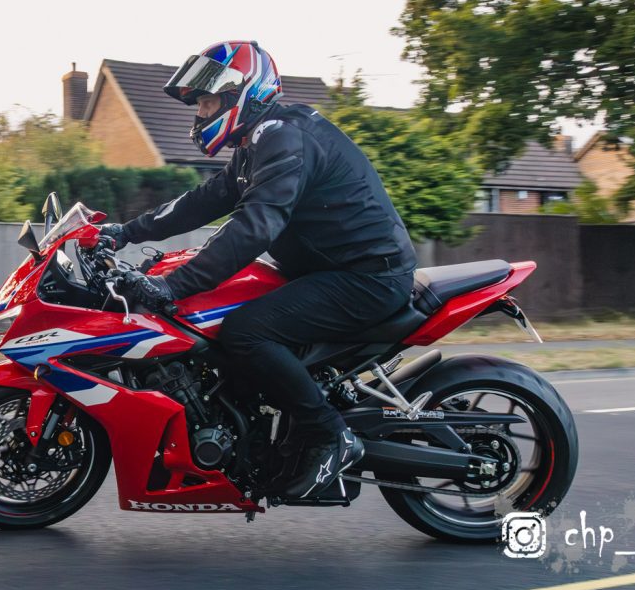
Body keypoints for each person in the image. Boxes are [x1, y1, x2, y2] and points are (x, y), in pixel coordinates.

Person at [98, 40, 417, 499]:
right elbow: (203, 202)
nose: (202, 111)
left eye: (209, 100)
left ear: (241, 93)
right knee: (221, 316)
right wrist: (126, 232)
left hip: (367, 276)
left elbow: (255, 227)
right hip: (327, 271)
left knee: (246, 332)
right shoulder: (257, 143)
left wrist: (173, 285)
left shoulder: (282, 136)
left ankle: (331, 436)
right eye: (201, 103)